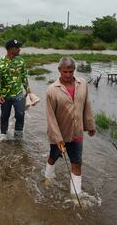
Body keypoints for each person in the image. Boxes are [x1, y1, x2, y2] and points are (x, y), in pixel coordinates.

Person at [44, 56, 96, 196]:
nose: (68, 75)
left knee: (77, 163)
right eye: (65, 72)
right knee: (53, 156)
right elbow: (51, 117)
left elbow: (87, 104)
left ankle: (76, 195)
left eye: (71, 72)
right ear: (59, 70)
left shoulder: (82, 83)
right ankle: (48, 177)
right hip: (59, 133)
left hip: (77, 132)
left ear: (74, 70)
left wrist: (90, 125)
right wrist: (59, 139)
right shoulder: (52, 90)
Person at [0, 39, 30, 138]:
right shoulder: (1, 63)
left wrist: (28, 89)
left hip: (18, 93)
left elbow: (23, 76)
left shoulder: (21, 61)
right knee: (5, 116)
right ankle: (3, 135)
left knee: (20, 114)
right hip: (5, 95)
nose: (19, 50)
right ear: (10, 49)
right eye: (17, 48)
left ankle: (18, 135)